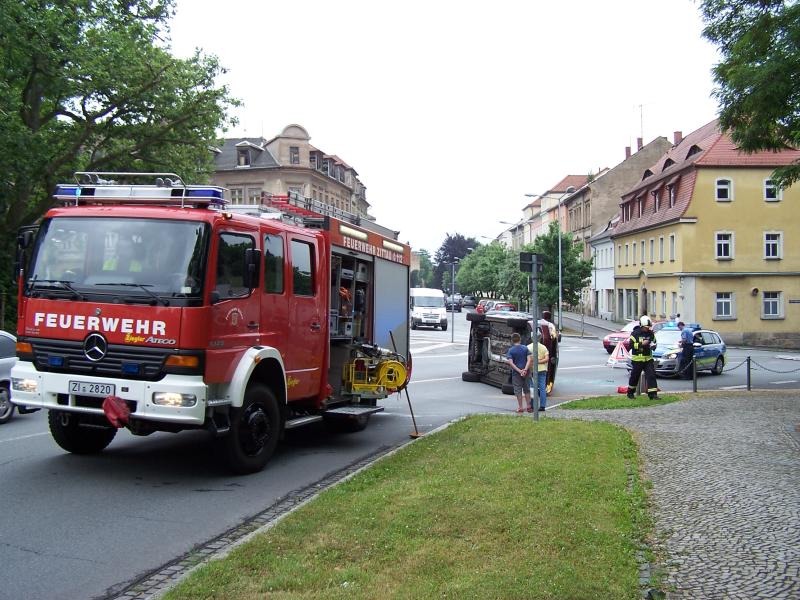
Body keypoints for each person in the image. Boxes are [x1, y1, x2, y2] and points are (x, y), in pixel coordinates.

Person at [627, 315, 659, 399]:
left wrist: (654, 346)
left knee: (651, 376)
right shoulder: (635, 333)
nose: (647, 329)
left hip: (648, 358)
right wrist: (641, 344)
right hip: (637, 359)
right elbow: (630, 345)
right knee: (635, 376)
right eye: (646, 327)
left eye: (649, 327)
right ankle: (630, 393)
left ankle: (653, 395)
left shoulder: (650, 333)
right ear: (641, 326)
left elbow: (654, 342)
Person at [506, 332, 532, 413]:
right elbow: (529, 360)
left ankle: (520, 407)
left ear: (512, 341)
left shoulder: (511, 350)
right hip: (526, 373)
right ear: (520, 339)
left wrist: (519, 370)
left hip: (516, 374)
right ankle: (528, 406)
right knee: (527, 389)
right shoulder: (525, 348)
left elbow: (511, 363)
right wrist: (525, 369)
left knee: (518, 390)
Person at [527, 331, 550, 412]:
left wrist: (535, 362)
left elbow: (529, 360)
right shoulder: (544, 347)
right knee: (542, 388)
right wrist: (540, 361)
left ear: (532, 338)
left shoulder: (528, 347)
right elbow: (547, 359)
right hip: (542, 369)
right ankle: (542, 406)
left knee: (532, 388)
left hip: (532, 370)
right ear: (540, 337)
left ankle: (532, 405)